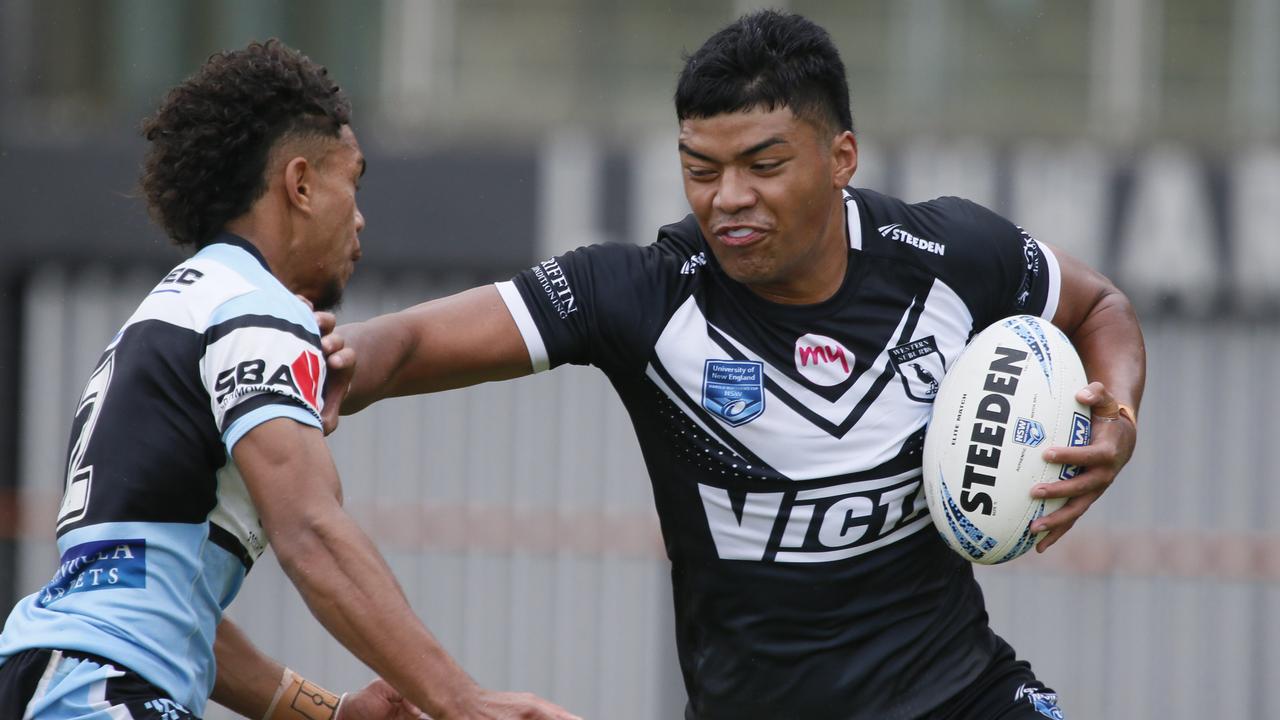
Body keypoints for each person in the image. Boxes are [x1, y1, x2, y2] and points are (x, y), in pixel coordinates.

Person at [322, 11, 1145, 720]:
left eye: (764, 165)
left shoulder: (947, 254)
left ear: (841, 157)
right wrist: (341, 364)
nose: (727, 198)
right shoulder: (642, 296)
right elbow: (415, 341)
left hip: (961, 694)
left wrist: (1119, 420)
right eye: (700, 169)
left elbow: (1099, 305)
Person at [0, 40, 578, 720]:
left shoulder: (166, 314)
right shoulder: (255, 306)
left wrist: (327, 713)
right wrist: (462, 702)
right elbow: (310, 528)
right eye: (353, 183)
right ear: (299, 184)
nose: (359, 218)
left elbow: (164, 605)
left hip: (50, 678)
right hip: (105, 696)